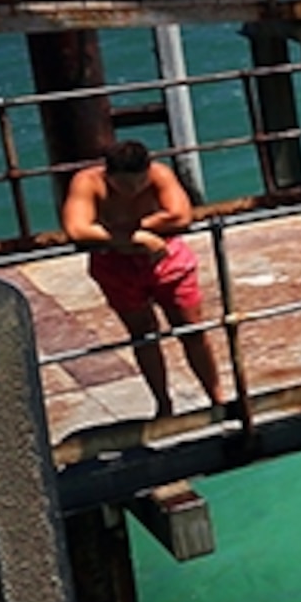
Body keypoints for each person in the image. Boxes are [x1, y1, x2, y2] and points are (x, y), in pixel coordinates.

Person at [61, 140, 223, 417]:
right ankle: (163, 403)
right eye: (124, 186)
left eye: (139, 183)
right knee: (144, 336)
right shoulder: (87, 182)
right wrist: (138, 237)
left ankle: (217, 397)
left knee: (192, 330)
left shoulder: (160, 174)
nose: (133, 191)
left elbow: (181, 215)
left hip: (165, 260)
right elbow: (76, 229)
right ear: (108, 175)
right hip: (116, 266)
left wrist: (124, 230)